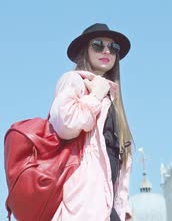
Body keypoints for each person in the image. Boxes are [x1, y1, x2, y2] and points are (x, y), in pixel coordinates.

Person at [49, 23, 134, 221]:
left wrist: (124, 209)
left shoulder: (112, 97)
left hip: (106, 205)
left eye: (113, 48)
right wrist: (95, 96)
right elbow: (65, 124)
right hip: (82, 203)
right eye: (98, 45)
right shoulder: (74, 80)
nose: (106, 51)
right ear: (85, 50)